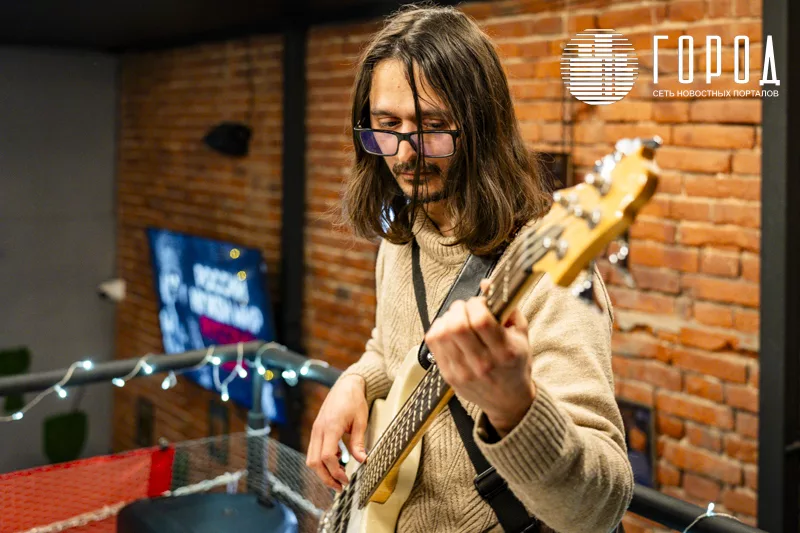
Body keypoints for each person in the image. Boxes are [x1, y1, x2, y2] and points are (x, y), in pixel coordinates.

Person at [306, 4, 634, 532]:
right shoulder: (404, 236)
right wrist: (357, 380)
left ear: (483, 126)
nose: (405, 154)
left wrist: (515, 409)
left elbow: (600, 506)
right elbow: (391, 346)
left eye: (433, 126)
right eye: (387, 126)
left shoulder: (553, 275)